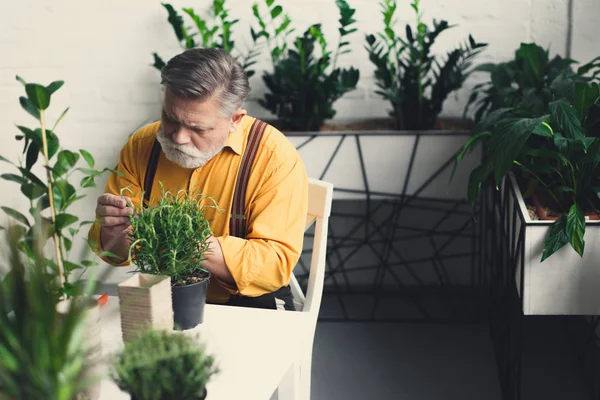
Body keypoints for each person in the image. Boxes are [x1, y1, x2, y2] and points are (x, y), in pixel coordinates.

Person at [88, 48, 308, 310]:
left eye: (197, 128)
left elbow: (274, 265)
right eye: (170, 119)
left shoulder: (273, 158)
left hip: (245, 303)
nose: (178, 137)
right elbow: (115, 253)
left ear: (235, 120)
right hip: (162, 293)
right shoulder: (141, 145)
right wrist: (114, 232)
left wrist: (192, 244)